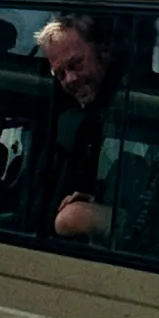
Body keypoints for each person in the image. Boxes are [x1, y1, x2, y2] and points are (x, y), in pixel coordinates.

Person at [35, 14, 118, 239]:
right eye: (60, 74)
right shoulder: (75, 123)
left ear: (103, 52)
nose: (70, 79)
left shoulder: (133, 116)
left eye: (76, 64)